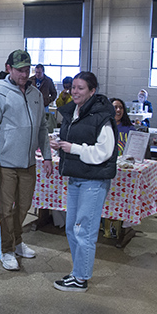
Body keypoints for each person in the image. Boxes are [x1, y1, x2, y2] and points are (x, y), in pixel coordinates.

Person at [0, 50, 53, 271]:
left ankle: (18, 240)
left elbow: (43, 127)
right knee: (6, 210)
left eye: (27, 70)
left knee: (23, 206)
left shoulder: (36, 94)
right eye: (20, 70)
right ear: (8, 69)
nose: (25, 74)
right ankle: (7, 250)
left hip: (29, 163)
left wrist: (48, 156)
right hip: (5, 164)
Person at [50, 72, 118, 292]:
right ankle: (76, 272)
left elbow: (105, 151)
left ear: (92, 91)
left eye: (81, 88)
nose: (75, 92)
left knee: (84, 230)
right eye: (73, 87)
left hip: (93, 181)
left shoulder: (101, 116)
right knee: (72, 228)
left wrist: (75, 149)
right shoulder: (74, 111)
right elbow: (75, 139)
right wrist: (60, 145)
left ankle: (81, 278)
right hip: (76, 176)